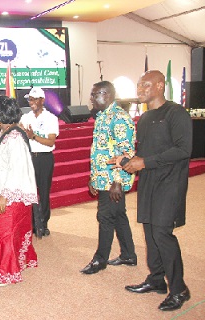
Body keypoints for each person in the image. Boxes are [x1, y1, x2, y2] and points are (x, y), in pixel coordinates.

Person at [121, 70, 192, 311]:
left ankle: (179, 288)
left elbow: (183, 150)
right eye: (139, 85)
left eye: (145, 85)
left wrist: (145, 162)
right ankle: (156, 280)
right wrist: (128, 161)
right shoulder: (146, 117)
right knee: (150, 232)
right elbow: (147, 153)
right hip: (149, 182)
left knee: (163, 234)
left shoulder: (176, 113)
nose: (139, 90)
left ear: (160, 85)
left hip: (170, 183)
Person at [0, 96, 38, 286]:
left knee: (5, 234)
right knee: (15, 231)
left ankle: (7, 273)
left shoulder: (14, 138)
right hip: (9, 192)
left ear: (1, 116)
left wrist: (4, 195)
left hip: (10, 195)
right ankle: (20, 262)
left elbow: (17, 168)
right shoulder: (7, 135)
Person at [80, 81, 137, 275]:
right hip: (103, 177)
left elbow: (126, 154)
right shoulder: (103, 116)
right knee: (118, 215)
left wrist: (118, 182)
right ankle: (129, 255)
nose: (92, 98)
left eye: (95, 94)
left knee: (105, 217)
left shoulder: (119, 118)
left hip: (113, 180)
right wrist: (93, 177)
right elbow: (101, 151)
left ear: (108, 95)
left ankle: (99, 260)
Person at [20, 87, 58, 237]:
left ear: (42, 100)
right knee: (29, 191)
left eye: (35, 99)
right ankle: (31, 222)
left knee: (43, 191)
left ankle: (43, 223)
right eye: (30, 99)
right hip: (29, 157)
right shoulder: (25, 117)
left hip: (44, 158)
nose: (32, 102)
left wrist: (33, 136)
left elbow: (50, 142)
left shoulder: (51, 118)